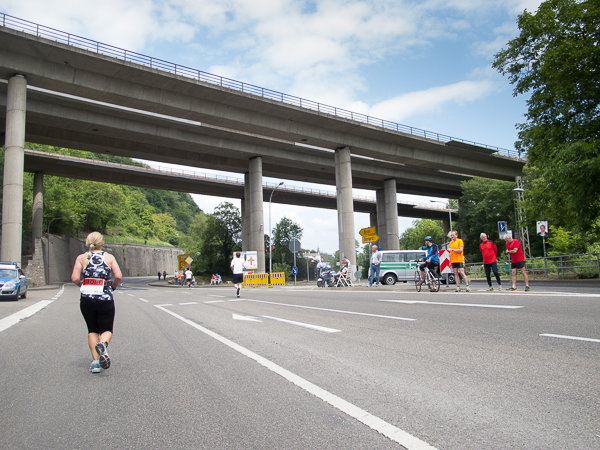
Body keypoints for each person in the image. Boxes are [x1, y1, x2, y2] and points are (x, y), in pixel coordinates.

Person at [71, 232, 122, 374]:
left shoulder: (81, 258)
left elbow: (75, 278)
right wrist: (112, 287)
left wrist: (82, 285)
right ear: (102, 244)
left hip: (86, 299)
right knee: (106, 329)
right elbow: (118, 276)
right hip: (105, 298)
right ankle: (103, 345)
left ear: (87, 243)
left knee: (92, 329)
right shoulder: (109, 257)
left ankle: (95, 363)